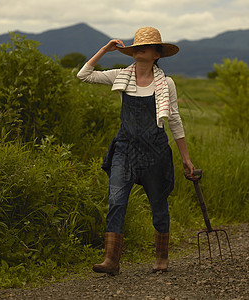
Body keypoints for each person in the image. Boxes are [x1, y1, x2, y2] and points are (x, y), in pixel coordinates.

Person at [77, 26, 195, 275]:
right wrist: (105, 50)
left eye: (147, 46)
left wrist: (185, 157)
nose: (140, 49)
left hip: (155, 152)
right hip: (125, 149)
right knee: (116, 202)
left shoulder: (167, 84)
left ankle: (161, 257)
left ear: (156, 54)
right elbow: (83, 75)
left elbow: (174, 120)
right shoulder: (121, 76)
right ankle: (111, 260)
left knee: (158, 203)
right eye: (137, 46)